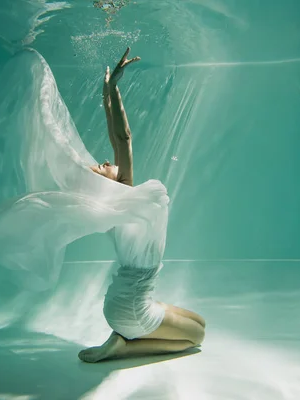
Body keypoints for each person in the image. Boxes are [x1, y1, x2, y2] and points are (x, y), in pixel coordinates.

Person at [79, 48, 206, 363]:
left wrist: (106, 96)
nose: (106, 161)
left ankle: (127, 334)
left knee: (199, 323)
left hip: (127, 302)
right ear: (108, 182)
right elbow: (123, 139)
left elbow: (115, 138)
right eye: (101, 167)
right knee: (198, 338)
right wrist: (114, 90)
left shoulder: (115, 205)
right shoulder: (123, 196)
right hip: (130, 309)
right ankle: (124, 346)